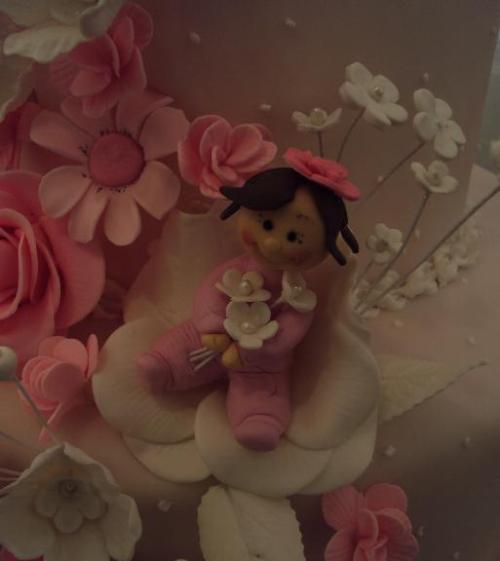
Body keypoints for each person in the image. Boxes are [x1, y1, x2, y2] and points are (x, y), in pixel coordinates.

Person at [138, 148, 359, 451]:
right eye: (266, 225)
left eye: (293, 238)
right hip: (213, 336)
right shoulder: (236, 269)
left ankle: (258, 419)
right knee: (187, 345)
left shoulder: (298, 294)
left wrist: (263, 348)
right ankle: (165, 366)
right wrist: (212, 323)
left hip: (263, 361)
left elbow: (293, 325)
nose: (272, 243)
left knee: (261, 388)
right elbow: (211, 290)